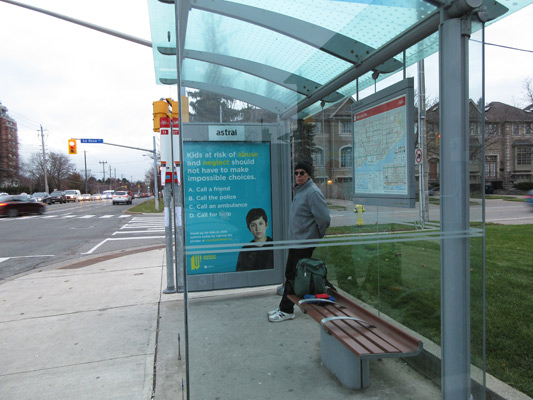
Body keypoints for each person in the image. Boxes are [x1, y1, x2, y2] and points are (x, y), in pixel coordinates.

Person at [268, 160, 330, 322]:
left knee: (294, 275)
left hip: (304, 243)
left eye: (302, 173)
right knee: (291, 274)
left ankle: (286, 310)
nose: (298, 176)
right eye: (296, 173)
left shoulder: (312, 192)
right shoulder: (300, 191)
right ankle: (284, 307)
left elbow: (324, 219)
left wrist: (316, 235)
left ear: (309, 175)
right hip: (296, 242)